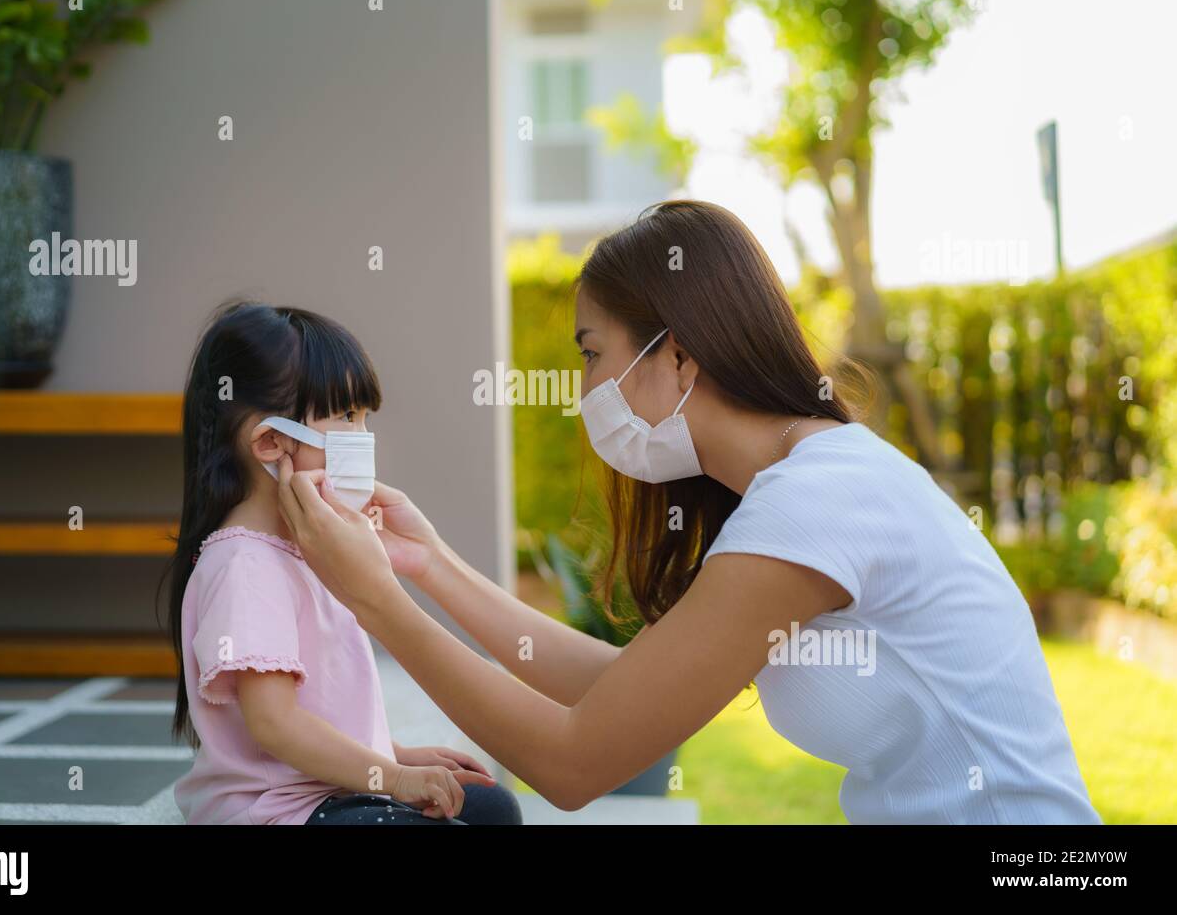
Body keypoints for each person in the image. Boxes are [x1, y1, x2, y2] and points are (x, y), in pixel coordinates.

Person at [275, 201, 1101, 824]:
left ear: (673, 353)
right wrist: (429, 567)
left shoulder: (816, 501)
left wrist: (378, 601)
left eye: (592, 353)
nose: (585, 387)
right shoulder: (794, 488)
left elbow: (575, 761)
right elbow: (621, 693)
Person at [164, 301, 521, 825]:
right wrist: (394, 779)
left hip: (330, 796)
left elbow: (324, 710)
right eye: (348, 417)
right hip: (280, 814)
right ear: (271, 442)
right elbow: (276, 724)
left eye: (365, 416)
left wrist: (396, 754)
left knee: (493, 808)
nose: (363, 435)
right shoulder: (245, 565)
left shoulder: (309, 549)